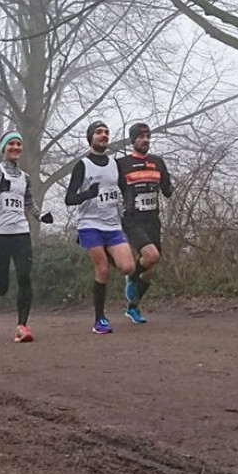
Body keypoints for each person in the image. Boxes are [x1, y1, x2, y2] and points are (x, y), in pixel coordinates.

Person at [0, 130, 53, 343]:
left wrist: (41, 216)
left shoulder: (25, 177)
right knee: (2, 288)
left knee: (25, 278)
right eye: (11, 144)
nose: (16, 147)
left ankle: (22, 326)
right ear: (3, 148)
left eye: (19, 144)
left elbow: (28, 203)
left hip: (21, 233)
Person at [64, 121, 134, 335]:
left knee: (127, 267)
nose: (103, 135)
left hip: (112, 225)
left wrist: (129, 206)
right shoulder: (82, 165)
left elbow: (125, 188)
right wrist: (87, 194)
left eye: (106, 132)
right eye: (98, 132)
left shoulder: (115, 164)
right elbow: (69, 199)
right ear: (90, 138)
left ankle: (106, 252)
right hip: (90, 224)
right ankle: (99, 319)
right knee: (102, 269)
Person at [116, 123, 174, 324]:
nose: (145, 140)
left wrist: (168, 185)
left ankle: (132, 307)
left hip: (152, 219)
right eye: (141, 137)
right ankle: (132, 278)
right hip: (133, 218)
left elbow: (167, 190)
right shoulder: (121, 164)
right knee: (151, 255)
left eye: (148, 136)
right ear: (133, 140)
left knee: (150, 269)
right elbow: (112, 190)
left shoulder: (157, 162)